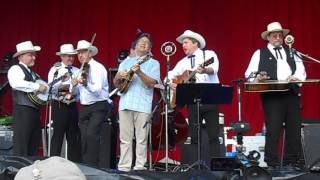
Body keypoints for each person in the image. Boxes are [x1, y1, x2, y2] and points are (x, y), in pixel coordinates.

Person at [245, 22, 306, 169]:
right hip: (272, 96)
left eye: (280, 35)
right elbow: (249, 74)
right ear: (268, 38)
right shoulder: (259, 53)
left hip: (291, 93)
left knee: (294, 129)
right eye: (274, 35)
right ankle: (271, 162)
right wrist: (258, 78)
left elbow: (301, 70)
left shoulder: (292, 52)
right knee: (273, 129)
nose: (278, 38)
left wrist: (296, 78)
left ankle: (293, 161)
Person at [167, 30, 221, 158]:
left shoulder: (208, 54)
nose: (183, 45)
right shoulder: (183, 62)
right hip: (192, 100)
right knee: (194, 135)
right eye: (183, 43)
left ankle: (216, 166)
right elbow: (169, 77)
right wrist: (172, 84)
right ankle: (196, 165)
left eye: (186, 42)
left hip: (210, 98)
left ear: (195, 43)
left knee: (213, 134)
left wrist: (204, 69)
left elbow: (214, 69)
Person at [113, 30, 160, 171]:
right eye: (141, 43)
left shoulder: (154, 63)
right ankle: (124, 167)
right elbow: (117, 84)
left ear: (150, 48)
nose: (144, 45)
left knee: (141, 139)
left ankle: (140, 167)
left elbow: (152, 83)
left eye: (147, 44)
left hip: (143, 105)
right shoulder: (126, 62)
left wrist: (139, 72)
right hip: (126, 103)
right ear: (136, 45)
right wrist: (118, 78)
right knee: (125, 139)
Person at [74, 40, 113, 167]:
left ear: (90, 53)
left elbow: (96, 90)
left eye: (83, 52)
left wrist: (84, 83)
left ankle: (94, 166)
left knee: (91, 134)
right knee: (84, 137)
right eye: (79, 53)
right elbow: (81, 92)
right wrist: (73, 88)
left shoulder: (97, 68)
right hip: (85, 106)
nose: (80, 55)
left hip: (98, 105)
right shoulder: (81, 69)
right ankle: (86, 165)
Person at [7, 41, 48, 156]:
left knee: (33, 145)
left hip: (34, 112)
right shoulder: (15, 69)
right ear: (21, 56)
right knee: (22, 146)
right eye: (30, 55)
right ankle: (19, 172)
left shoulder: (34, 74)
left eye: (34, 55)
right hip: (22, 111)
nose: (34, 57)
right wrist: (36, 86)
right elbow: (15, 83)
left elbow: (44, 89)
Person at [48, 44, 81, 162]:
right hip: (59, 106)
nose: (70, 58)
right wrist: (68, 87)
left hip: (72, 106)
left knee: (73, 136)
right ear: (61, 57)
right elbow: (52, 88)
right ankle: (53, 163)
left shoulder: (77, 71)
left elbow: (81, 92)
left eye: (72, 56)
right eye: (67, 56)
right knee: (58, 135)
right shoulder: (55, 70)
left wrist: (75, 89)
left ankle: (75, 164)